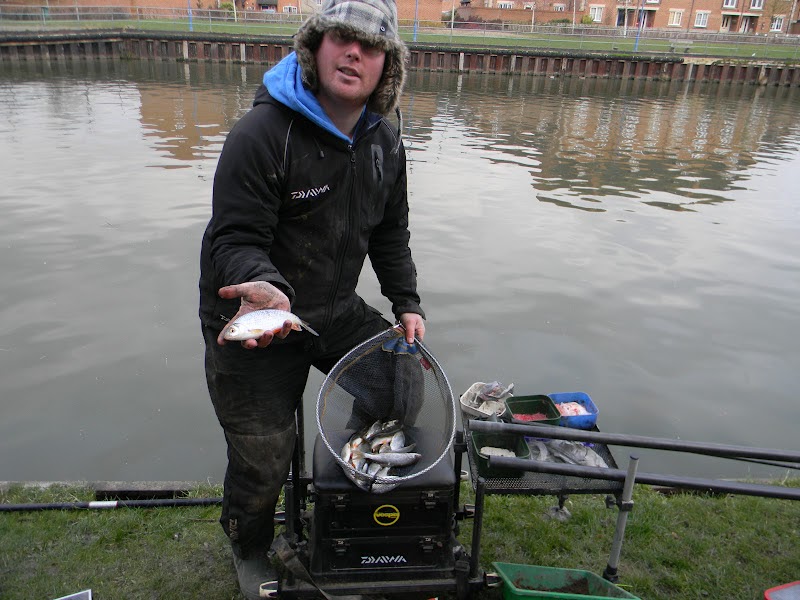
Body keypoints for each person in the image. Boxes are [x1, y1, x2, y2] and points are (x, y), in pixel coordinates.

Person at [197, 0, 424, 596]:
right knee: (262, 454)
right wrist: (263, 289)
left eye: (371, 47)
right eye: (341, 38)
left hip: (331, 307)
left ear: (386, 67)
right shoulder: (262, 133)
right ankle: (249, 545)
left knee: (403, 384)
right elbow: (235, 238)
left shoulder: (387, 138)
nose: (354, 53)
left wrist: (406, 302)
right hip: (254, 312)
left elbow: (390, 229)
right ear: (314, 47)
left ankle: (345, 483)